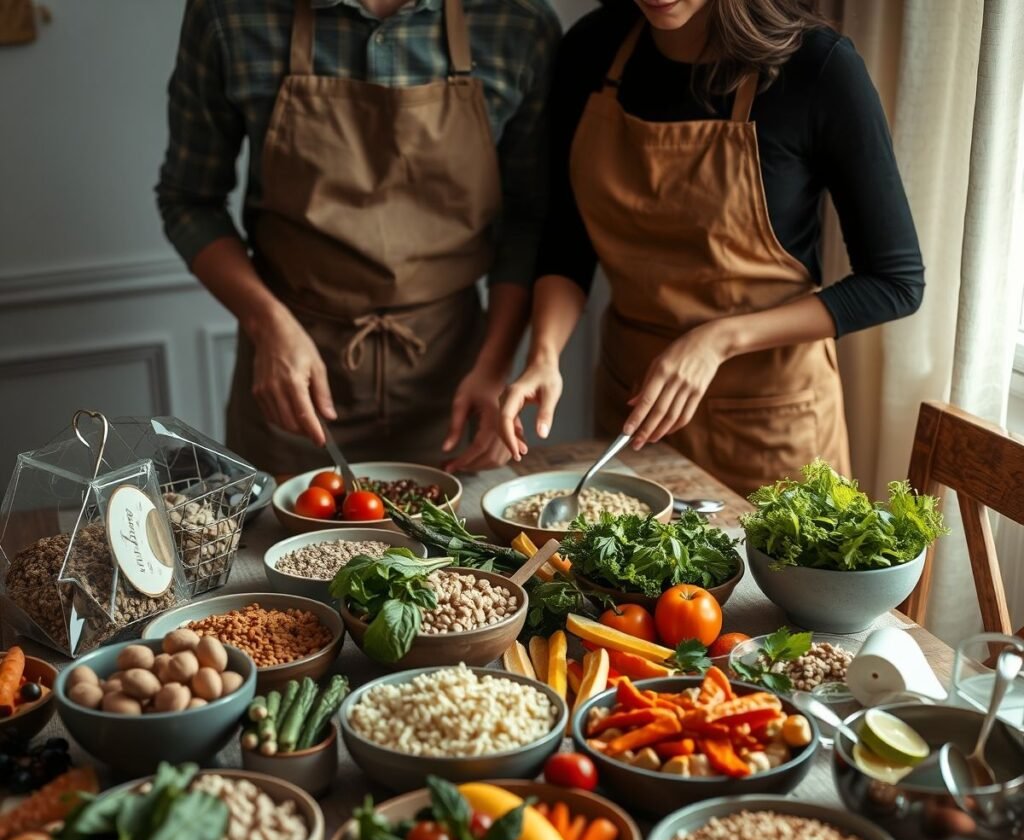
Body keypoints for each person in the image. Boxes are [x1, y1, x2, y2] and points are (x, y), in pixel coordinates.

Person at [496, 0, 924, 495]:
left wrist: (716, 340)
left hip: (770, 427)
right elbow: (568, 240)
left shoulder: (818, 69)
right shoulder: (591, 48)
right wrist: (544, 355)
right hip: (634, 415)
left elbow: (896, 283)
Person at [157, 0, 560, 474]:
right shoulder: (230, 14)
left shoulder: (515, 20)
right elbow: (190, 201)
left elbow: (528, 220)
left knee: (455, 546)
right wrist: (267, 323)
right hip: (295, 380)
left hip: (458, 382)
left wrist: (494, 367)